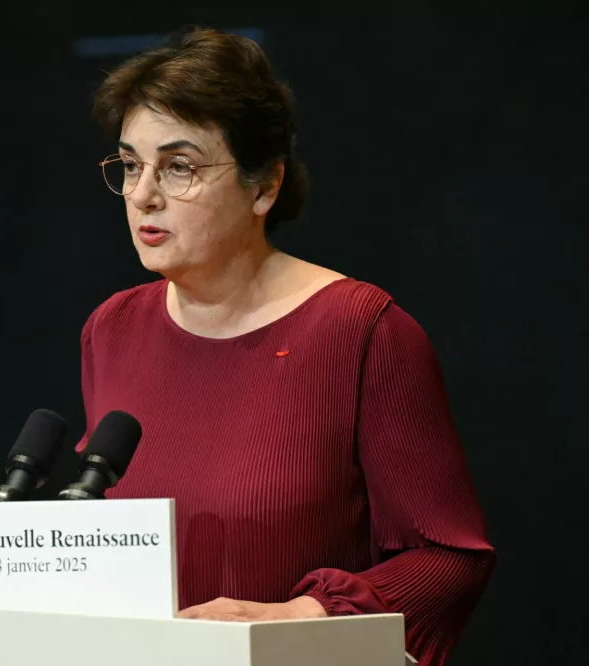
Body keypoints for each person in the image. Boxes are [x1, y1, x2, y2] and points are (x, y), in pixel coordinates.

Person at [73, 26, 494, 666]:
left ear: (264, 186)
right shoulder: (112, 328)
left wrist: (302, 618)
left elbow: (447, 558)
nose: (142, 194)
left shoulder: (364, 330)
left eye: (179, 166)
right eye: (131, 164)